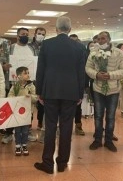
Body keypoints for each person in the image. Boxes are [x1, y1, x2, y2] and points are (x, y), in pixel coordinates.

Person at [34, 16, 85, 174]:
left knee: (50, 127)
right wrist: (80, 93)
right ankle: (62, 162)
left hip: (50, 90)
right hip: (71, 92)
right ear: (70, 29)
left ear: (56, 29)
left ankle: (47, 163)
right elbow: (81, 73)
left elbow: (40, 69)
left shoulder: (47, 44)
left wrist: (39, 91)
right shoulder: (79, 47)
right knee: (66, 128)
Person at [86, 31, 123, 152]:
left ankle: (109, 140)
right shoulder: (93, 53)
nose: (101, 41)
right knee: (98, 116)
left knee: (110, 116)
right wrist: (96, 74)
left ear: (109, 39)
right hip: (98, 89)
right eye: (99, 39)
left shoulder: (119, 53)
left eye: (103, 38)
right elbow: (88, 68)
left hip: (113, 89)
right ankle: (97, 140)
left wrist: (110, 75)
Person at [1, 27, 37, 144]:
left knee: (27, 110)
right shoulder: (11, 48)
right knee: (12, 109)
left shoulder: (32, 49)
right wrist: (4, 66)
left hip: (28, 84)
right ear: (17, 36)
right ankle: (8, 133)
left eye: (27, 34)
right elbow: (3, 62)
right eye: (23, 34)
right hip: (14, 83)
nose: (25, 35)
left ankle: (28, 131)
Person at [8, 66, 37, 156]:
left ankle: (24, 145)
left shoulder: (31, 86)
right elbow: (10, 95)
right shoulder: (15, 86)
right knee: (17, 130)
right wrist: (15, 99)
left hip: (27, 113)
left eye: (28, 73)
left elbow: (35, 97)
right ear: (19, 76)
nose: (27, 75)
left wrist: (30, 97)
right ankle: (17, 145)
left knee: (25, 130)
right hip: (17, 112)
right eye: (25, 73)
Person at [29, 28, 46, 130]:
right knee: (30, 102)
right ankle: (28, 125)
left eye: (43, 34)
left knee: (42, 102)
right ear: (35, 34)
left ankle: (40, 122)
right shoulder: (29, 47)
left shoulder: (46, 47)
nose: (41, 36)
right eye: (39, 34)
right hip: (30, 77)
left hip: (42, 78)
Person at [69, 34, 86, 136]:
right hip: (65, 83)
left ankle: (78, 126)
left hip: (77, 83)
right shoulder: (65, 53)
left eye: (76, 41)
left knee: (78, 107)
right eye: (72, 41)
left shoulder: (82, 52)